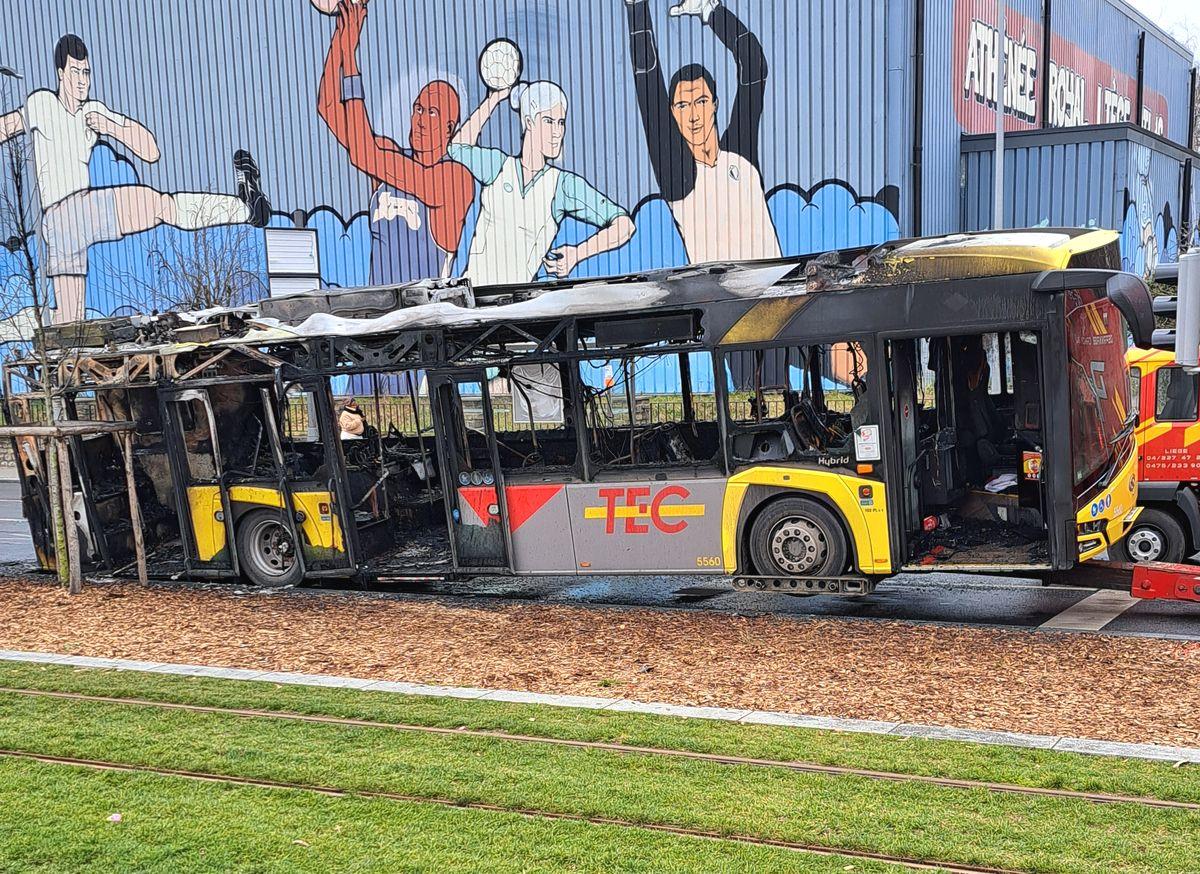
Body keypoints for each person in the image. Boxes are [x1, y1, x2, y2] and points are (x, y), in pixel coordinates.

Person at [0, 34, 270, 324]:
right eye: (75, 72)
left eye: (86, 72)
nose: (82, 80)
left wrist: (111, 127)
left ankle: (11, 328)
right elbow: (7, 126)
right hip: (68, 213)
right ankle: (246, 210)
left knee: (69, 325)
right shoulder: (42, 103)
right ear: (61, 73)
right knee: (158, 205)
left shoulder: (93, 111)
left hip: (65, 227)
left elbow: (150, 151)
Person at [316, 0, 473, 282]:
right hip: (380, 311)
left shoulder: (455, 179)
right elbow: (327, 106)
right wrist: (342, 34)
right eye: (418, 108)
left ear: (450, 128)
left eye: (433, 112)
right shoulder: (388, 154)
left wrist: (351, 58)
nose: (421, 119)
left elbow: (363, 155)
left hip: (426, 316)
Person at [623, 0, 780, 264]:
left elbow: (754, 65)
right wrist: (637, 9)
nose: (693, 115)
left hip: (778, 296)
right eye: (682, 105)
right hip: (725, 302)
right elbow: (647, 82)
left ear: (714, 104)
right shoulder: (679, 176)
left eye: (701, 102)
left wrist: (711, 11)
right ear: (671, 113)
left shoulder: (740, 154)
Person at [449, 80, 635, 286]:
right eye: (548, 121)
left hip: (517, 305)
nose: (557, 132)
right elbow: (457, 147)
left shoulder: (562, 185)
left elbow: (624, 226)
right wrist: (493, 98)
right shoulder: (497, 166)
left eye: (561, 122)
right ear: (529, 122)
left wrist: (578, 253)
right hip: (474, 297)